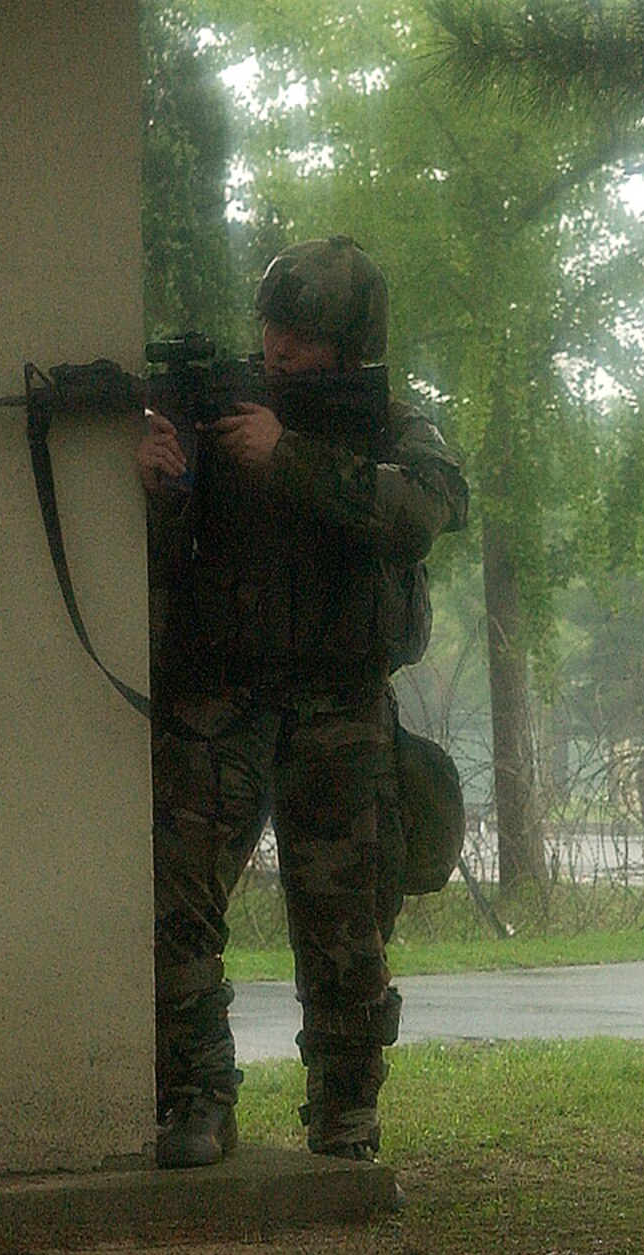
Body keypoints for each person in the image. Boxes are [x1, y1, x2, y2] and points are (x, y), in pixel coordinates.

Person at [137, 236, 469, 1167]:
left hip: (339, 708)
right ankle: (198, 1094)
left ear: (352, 346)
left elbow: (423, 513)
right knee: (172, 895)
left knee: (346, 927)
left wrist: (289, 458)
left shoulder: (394, 425)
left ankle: (345, 1112)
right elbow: (171, 559)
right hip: (224, 701)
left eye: (304, 337)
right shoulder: (220, 409)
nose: (279, 351)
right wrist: (167, 488)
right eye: (273, 330)